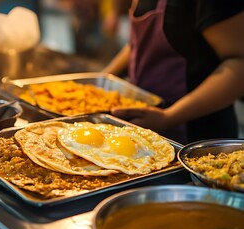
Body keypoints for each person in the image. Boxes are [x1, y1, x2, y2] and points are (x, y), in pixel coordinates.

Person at [102, 0, 244, 144]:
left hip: (197, 139)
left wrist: (168, 117)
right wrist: (100, 81)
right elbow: (137, 43)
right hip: (145, 132)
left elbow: (240, 63)